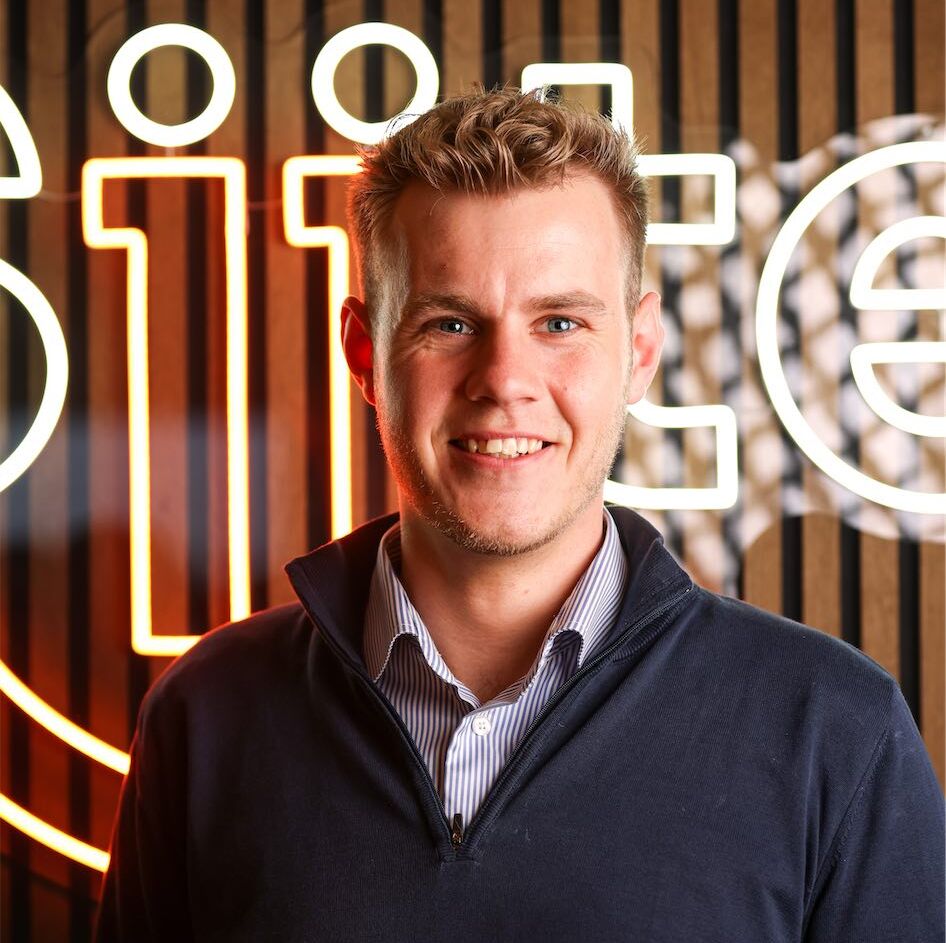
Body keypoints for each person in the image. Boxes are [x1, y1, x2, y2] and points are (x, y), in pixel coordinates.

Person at [94, 87, 944, 942]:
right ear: (364, 352)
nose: (504, 379)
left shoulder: (833, 730)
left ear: (639, 352)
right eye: (450, 321)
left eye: (561, 321)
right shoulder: (207, 717)